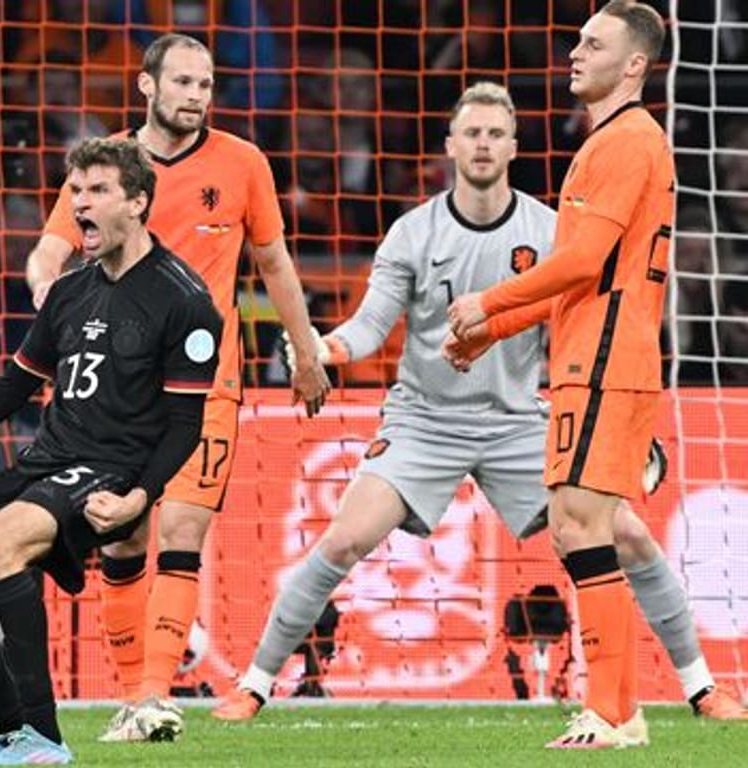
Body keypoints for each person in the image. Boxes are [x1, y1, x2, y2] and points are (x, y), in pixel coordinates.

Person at [213, 80, 748, 735]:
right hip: (424, 421)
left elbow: (575, 313)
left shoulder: (550, 229)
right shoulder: (414, 232)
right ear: (450, 146)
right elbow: (372, 326)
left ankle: (700, 688)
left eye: (496, 133)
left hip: (518, 421)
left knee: (629, 535)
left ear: (515, 147)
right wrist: (322, 348)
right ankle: (253, 685)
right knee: (344, 537)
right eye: (473, 133)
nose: (484, 144)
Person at [0, 137, 222, 765]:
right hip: (47, 458)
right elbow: (11, 389)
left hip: (111, 470)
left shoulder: (185, 301)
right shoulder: (70, 292)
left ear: (137, 202)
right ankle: (13, 731)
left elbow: (185, 426)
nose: (80, 204)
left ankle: (43, 740)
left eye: (98, 191)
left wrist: (139, 497)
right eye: (74, 192)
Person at [24, 32, 330, 743]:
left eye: (206, 83)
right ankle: (133, 694)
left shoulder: (243, 163)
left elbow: (276, 262)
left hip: (204, 386)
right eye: (184, 82)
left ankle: (155, 697)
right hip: (114, 395)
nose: (197, 95)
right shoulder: (107, 170)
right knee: (123, 542)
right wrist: (48, 296)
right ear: (147, 87)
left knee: (185, 532)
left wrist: (306, 350)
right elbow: (50, 250)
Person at [446, 2, 719, 748]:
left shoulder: (626, 141)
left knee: (579, 527)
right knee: (585, 527)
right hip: (593, 357)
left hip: (604, 361)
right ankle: (619, 710)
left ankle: (611, 711)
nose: (574, 52)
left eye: (592, 43)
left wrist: (487, 301)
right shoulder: (614, 141)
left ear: (634, 64)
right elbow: (578, 280)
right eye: (576, 39)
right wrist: (493, 330)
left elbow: (579, 264)